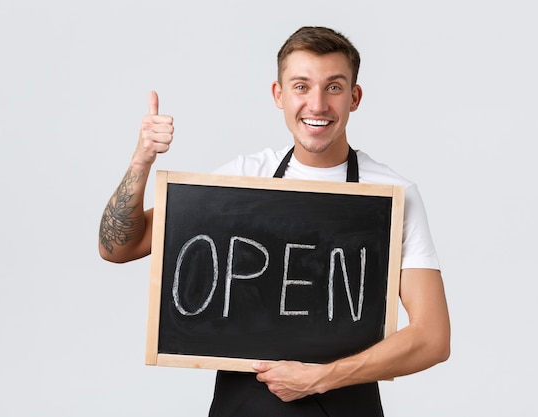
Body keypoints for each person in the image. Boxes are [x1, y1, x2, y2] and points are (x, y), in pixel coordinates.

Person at [99, 26, 450, 417]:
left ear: (354, 97)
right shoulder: (242, 181)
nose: (316, 105)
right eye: (301, 86)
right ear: (278, 95)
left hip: (347, 405)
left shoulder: (393, 196)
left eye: (333, 88)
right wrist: (140, 161)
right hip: (243, 405)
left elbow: (432, 338)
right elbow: (119, 247)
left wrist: (320, 377)